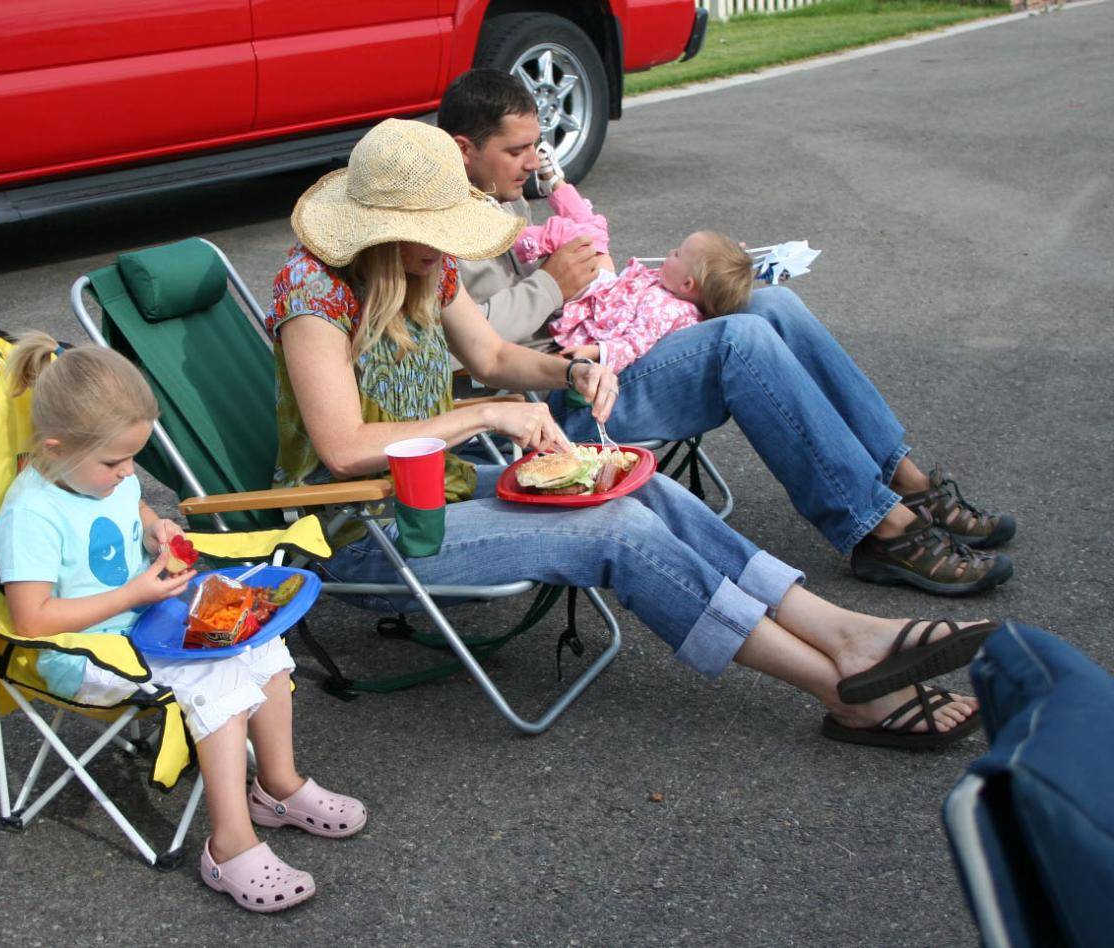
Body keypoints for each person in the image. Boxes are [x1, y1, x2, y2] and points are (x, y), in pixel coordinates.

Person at [265, 117, 996, 753]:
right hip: (362, 533)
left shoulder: (424, 270)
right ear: (386, 229)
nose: (443, 248)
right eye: (432, 235)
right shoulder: (314, 295)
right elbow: (345, 447)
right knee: (614, 528)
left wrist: (571, 366)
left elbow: (490, 356)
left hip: (435, 495)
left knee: (638, 484)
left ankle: (843, 631)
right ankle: (842, 690)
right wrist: (488, 413)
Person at [436, 68, 1016, 597]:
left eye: (535, 144)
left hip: (594, 350)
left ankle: (907, 481)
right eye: (517, 150)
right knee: (741, 340)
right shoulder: (427, 233)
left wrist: (587, 272)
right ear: (465, 149)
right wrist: (554, 285)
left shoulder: (498, 190)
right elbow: (464, 349)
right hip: (562, 393)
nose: (533, 160)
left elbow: (546, 278)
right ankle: (881, 530)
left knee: (773, 304)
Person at [0, 332, 365, 914]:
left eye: (133, 457)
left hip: (148, 622)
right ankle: (230, 846)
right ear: (56, 446)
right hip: (82, 651)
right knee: (216, 680)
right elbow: (32, 618)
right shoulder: (32, 513)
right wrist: (133, 591)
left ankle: (279, 787)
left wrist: (155, 529)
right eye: (115, 461)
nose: (127, 471)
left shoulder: (107, 474)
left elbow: (131, 509)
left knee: (257, 642)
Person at [513, 174, 753, 371]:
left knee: (575, 236)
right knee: (593, 229)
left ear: (688, 284)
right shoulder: (674, 293)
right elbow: (723, 271)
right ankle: (555, 182)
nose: (671, 252)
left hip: (593, 306)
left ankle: (512, 240)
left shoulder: (666, 309)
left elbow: (634, 344)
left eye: (678, 254)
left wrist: (597, 352)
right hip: (607, 293)